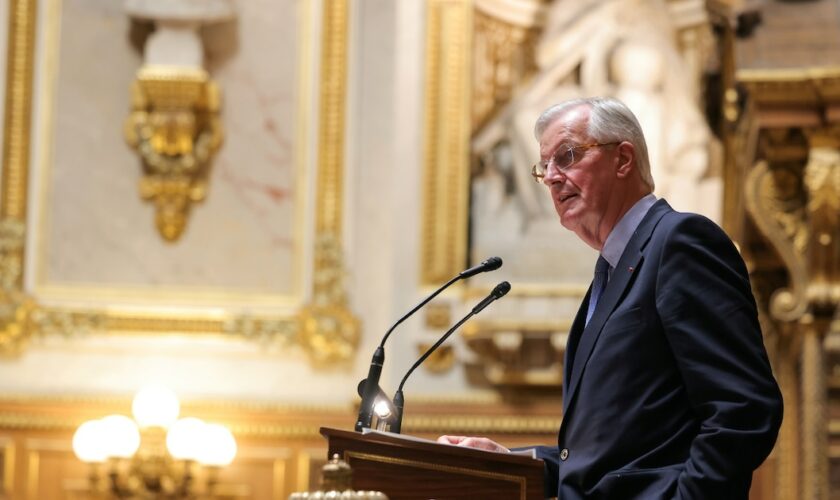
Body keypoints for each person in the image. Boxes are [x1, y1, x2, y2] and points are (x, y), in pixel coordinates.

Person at [439, 97, 783, 499]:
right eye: (544, 166)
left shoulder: (680, 243)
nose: (551, 176)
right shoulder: (611, 274)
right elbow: (613, 460)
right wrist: (516, 462)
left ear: (622, 159)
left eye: (566, 156)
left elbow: (744, 409)